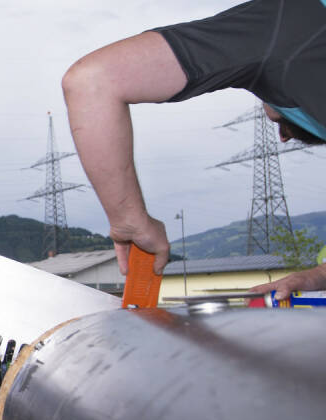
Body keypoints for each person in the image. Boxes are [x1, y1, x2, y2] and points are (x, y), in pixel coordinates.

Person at [62, 0, 326, 283]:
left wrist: (129, 219)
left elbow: (93, 80)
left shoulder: (288, 24)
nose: (282, 137)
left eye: (284, 122)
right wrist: (317, 277)